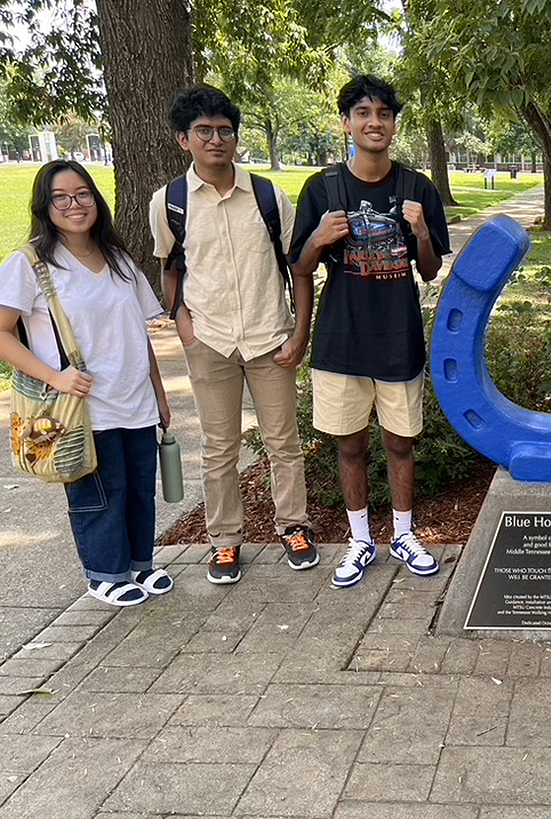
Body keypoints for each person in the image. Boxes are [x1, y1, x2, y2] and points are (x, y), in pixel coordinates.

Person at [149, 85, 318, 586]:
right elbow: (170, 267)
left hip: (270, 338)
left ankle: (294, 527)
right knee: (219, 448)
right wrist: (182, 322)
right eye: (204, 131)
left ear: (236, 137)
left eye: (225, 130)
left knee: (283, 442)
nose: (216, 139)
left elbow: (299, 267)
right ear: (185, 140)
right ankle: (224, 541)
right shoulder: (171, 201)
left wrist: (300, 332)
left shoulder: (267, 195)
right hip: (211, 341)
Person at [290, 74, 450, 588]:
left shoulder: (416, 188)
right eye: (363, 113)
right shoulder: (323, 188)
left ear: (394, 125)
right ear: (347, 123)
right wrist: (316, 238)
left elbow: (428, 271)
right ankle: (361, 539)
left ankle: (404, 533)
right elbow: (300, 265)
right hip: (341, 341)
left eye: (383, 114)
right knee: (350, 446)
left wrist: (422, 231)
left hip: (398, 340)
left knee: (401, 444)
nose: (374, 122)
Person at [0, 161, 172, 607]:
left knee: (140, 488)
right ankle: (104, 575)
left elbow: (138, 332)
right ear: (45, 205)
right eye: (62, 197)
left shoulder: (119, 260)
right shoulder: (30, 264)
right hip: (80, 406)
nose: (75, 205)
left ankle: (140, 565)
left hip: (135, 398)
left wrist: (159, 392)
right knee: (99, 491)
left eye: (83, 195)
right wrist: (55, 376)